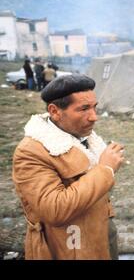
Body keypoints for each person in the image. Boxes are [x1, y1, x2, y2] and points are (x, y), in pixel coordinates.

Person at [12, 74, 123, 259]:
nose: (94, 117)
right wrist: (105, 169)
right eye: (84, 109)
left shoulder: (83, 137)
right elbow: (54, 209)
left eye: (95, 107)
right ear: (55, 111)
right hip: (70, 247)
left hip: (101, 236)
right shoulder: (31, 152)